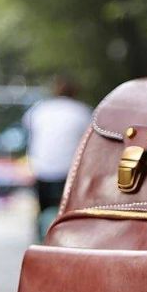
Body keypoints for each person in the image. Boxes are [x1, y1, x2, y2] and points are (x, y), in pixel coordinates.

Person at [23, 75, 92, 229]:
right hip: (69, 172)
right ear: (75, 92)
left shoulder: (39, 110)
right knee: (68, 210)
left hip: (41, 169)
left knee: (43, 208)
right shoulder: (83, 112)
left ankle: (40, 234)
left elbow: (29, 130)